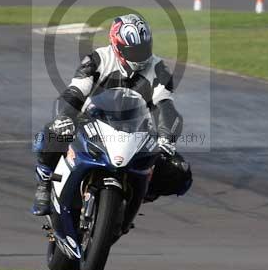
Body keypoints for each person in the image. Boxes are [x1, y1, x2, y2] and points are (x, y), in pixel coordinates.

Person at [31, 13, 192, 216]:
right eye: (133, 50)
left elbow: (166, 107)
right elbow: (74, 93)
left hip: (136, 129)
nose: (140, 55)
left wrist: (167, 139)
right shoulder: (96, 60)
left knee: (180, 171)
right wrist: (64, 117)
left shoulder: (159, 69)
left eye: (144, 48)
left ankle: (139, 192)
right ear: (117, 45)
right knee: (52, 132)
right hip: (92, 121)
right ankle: (44, 182)